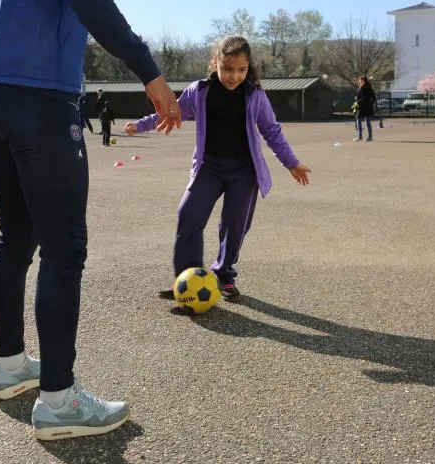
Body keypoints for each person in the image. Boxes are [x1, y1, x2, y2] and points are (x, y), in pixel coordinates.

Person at [0, 0, 181, 441]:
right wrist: (151, 74)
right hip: (41, 98)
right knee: (65, 248)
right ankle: (59, 401)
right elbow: (92, 0)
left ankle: (11, 365)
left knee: (15, 236)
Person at [126, 36, 311, 301]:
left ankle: (224, 275)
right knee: (188, 214)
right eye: (227, 68)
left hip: (244, 172)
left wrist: (291, 162)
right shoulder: (200, 91)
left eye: (241, 70)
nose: (234, 76)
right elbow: (172, 110)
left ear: (249, 68)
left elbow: (271, 130)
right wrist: (142, 124)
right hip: (209, 168)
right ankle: (186, 279)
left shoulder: (254, 95)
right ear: (215, 63)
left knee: (234, 226)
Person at [354, 76, 377, 142]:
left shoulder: (362, 88)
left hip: (362, 107)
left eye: (359, 80)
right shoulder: (370, 88)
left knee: (358, 120)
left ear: (362, 80)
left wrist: (357, 101)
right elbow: (374, 98)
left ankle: (360, 136)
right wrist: (370, 104)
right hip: (368, 107)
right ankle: (370, 137)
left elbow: (363, 98)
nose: (359, 81)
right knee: (368, 122)